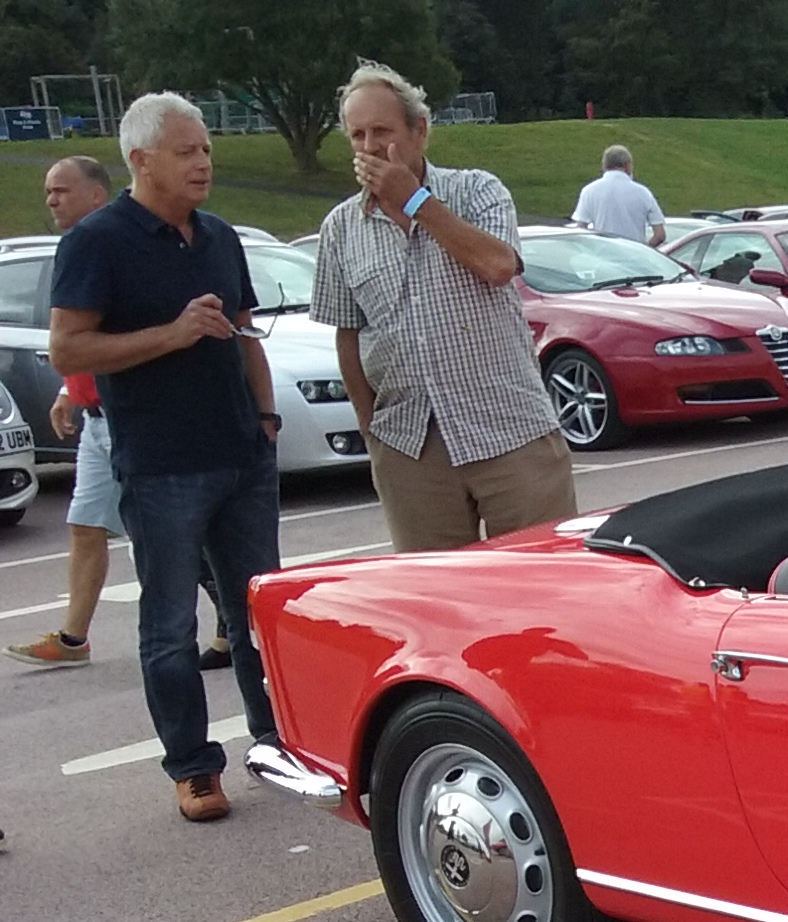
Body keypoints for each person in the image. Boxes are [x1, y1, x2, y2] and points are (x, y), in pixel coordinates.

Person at [48, 93, 280, 824]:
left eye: (205, 148)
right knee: (171, 624)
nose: (203, 162)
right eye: (186, 152)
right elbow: (69, 348)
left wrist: (266, 419)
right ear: (140, 160)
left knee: (259, 613)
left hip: (242, 455)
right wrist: (172, 335)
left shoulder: (219, 235)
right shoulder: (97, 241)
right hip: (161, 466)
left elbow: (244, 331)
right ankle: (193, 767)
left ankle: (279, 742)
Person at [312, 61, 577, 554]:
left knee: (543, 581)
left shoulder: (478, 191)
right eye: (357, 135)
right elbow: (348, 337)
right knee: (436, 593)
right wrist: (374, 436)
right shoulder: (341, 228)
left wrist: (415, 202)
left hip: (509, 430)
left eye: (382, 132)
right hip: (411, 447)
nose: (369, 147)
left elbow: (498, 265)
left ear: (420, 132)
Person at [7, 155, 120, 670]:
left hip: (127, 417)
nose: (51, 200)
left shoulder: (114, 246)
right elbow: (78, 337)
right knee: (85, 525)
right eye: (48, 191)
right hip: (95, 421)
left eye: (61, 190)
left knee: (178, 532)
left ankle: (234, 626)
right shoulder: (77, 248)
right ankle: (74, 640)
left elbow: (110, 333)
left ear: (96, 194)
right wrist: (69, 390)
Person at [570, 143, 664, 246]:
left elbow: (581, 229)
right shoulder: (643, 193)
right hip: (633, 253)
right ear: (627, 166)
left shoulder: (589, 191)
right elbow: (660, 235)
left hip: (602, 253)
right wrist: (644, 250)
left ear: (605, 165)